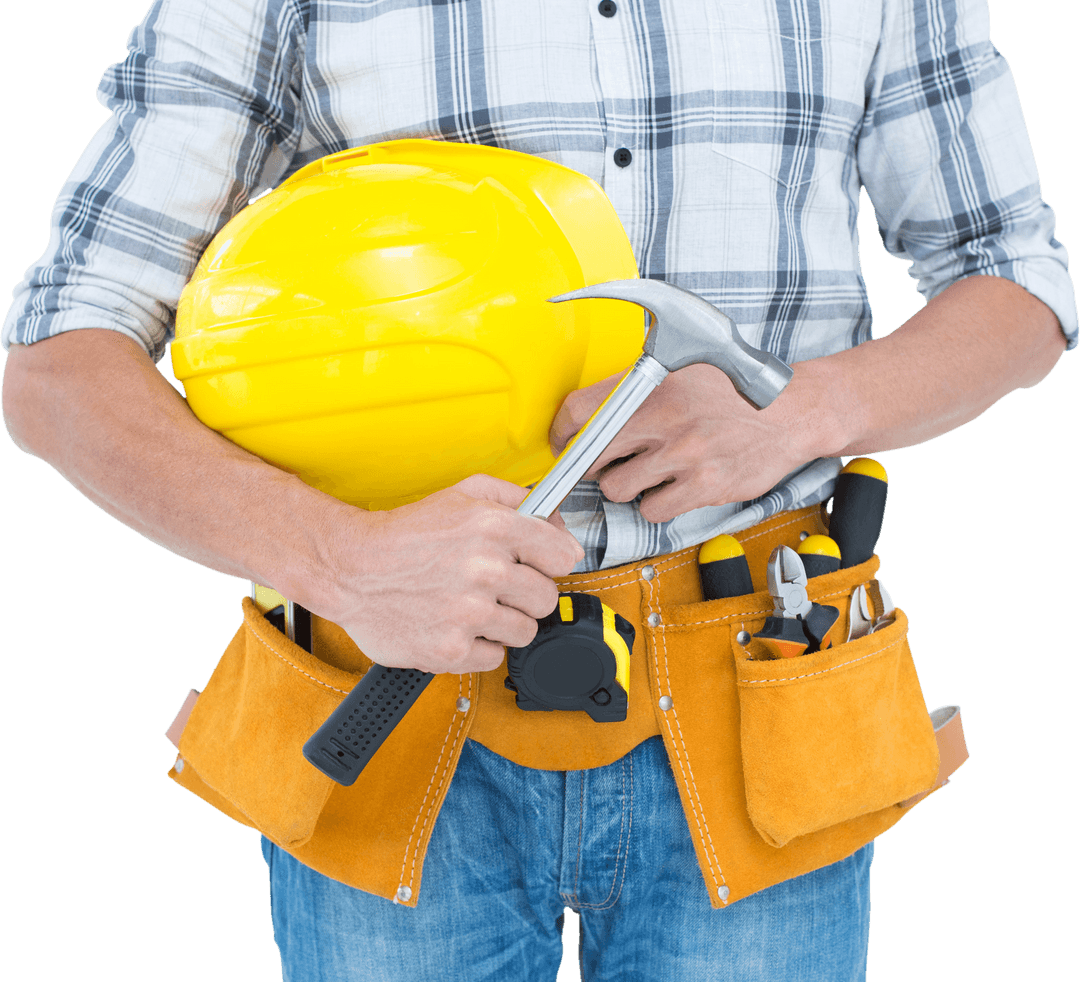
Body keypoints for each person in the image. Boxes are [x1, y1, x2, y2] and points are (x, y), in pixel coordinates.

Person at [2, 1, 1075, 980]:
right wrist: (338, 559)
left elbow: (1016, 283)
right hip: (399, 707)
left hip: (759, 696)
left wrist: (794, 412)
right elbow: (58, 365)